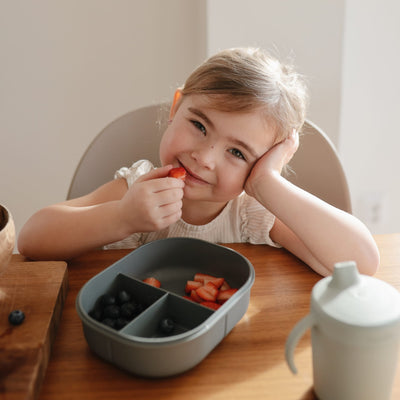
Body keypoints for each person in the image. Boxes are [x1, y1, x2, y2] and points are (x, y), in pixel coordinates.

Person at [18, 48, 379, 276]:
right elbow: (33, 239)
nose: (204, 158)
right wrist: (123, 216)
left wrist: (267, 183)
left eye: (237, 153)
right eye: (199, 125)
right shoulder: (137, 187)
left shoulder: (250, 212)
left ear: (262, 163)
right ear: (176, 107)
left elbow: (360, 265)